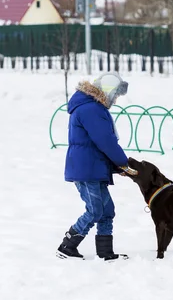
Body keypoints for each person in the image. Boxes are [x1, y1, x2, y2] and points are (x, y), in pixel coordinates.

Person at [56, 72, 138, 261]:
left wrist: (117, 167)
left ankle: (105, 252)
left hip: (93, 167)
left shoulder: (93, 108)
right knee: (95, 210)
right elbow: (106, 141)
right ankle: (67, 246)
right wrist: (123, 163)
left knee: (107, 210)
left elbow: (100, 144)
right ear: (108, 92)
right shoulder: (90, 109)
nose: (116, 100)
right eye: (115, 95)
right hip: (86, 170)